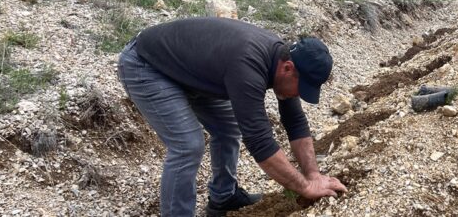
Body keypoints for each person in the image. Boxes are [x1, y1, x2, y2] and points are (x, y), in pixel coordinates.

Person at [116, 17, 347, 217]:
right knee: (188, 145)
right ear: (287, 68)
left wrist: (313, 174)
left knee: (228, 128)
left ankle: (223, 197)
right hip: (147, 65)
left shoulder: (282, 61)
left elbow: (295, 121)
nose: (298, 94)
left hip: (191, 72)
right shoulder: (248, 65)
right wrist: (305, 187)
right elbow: (260, 142)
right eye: (301, 87)